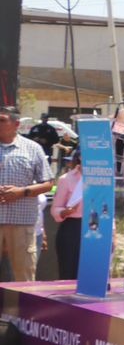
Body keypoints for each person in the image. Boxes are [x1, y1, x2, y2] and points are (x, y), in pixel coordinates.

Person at [0, 106, 53, 281]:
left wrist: (21, 192)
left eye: (2, 120)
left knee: (24, 277)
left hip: (21, 223)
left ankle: (19, 302)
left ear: (16, 124)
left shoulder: (33, 148)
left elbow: (48, 183)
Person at [49, 150, 84, 281]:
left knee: (92, 273)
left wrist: (113, 233)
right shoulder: (66, 179)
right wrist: (64, 212)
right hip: (72, 229)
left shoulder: (104, 179)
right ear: (80, 157)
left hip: (96, 228)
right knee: (69, 273)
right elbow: (55, 209)